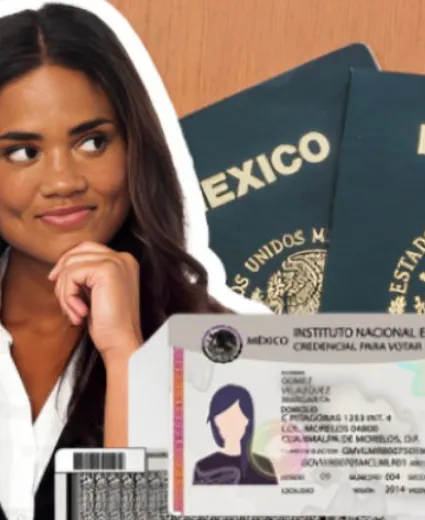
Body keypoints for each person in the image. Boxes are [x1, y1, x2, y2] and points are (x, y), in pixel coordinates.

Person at [0, 4, 231, 520]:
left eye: (93, 142)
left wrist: (127, 357)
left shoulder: (215, 353)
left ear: (134, 148)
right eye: (21, 153)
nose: (63, 181)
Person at [193, 384, 278, 485]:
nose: (229, 425)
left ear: (247, 420)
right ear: (215, 422)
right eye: (223, 418)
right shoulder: (203, 467)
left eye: (235, 417)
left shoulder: (264, 466)